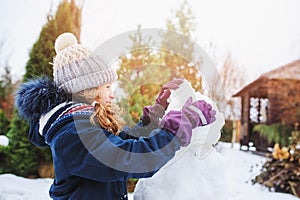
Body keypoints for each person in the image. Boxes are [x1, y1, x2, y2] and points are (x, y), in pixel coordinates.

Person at [15, 32, 216, 200]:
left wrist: (156, 113)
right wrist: (179, 127)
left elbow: (120, 142)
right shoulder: (72, 134)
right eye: (107, 86)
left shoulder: (82, 124)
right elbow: (132, 158)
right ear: (88, 90)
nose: (112, 93)